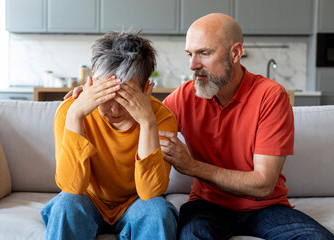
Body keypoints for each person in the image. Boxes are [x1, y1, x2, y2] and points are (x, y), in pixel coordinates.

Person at [65, 14, 334, 240]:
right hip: (208, 206)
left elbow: (263, 185)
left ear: (236, 53)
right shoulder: (185, 96)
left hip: (266, 207)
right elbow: (138, 119)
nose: (193, 65)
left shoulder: (270, 96)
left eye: (203, 54)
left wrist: (191, 167)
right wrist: (93, 97)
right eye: (190, 54)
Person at [41, 31, 178, 240]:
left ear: (145, 88)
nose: (114, 109)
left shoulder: (160, 118)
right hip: (87, 202)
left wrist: (147, 122)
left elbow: (150, 193)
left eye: (125, 96)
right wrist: (76, 115)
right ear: (91, 83)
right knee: (65, 204)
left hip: (136, 204)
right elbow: (71, 187)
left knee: (158, 211)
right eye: (105, 94)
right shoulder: (71, 111)